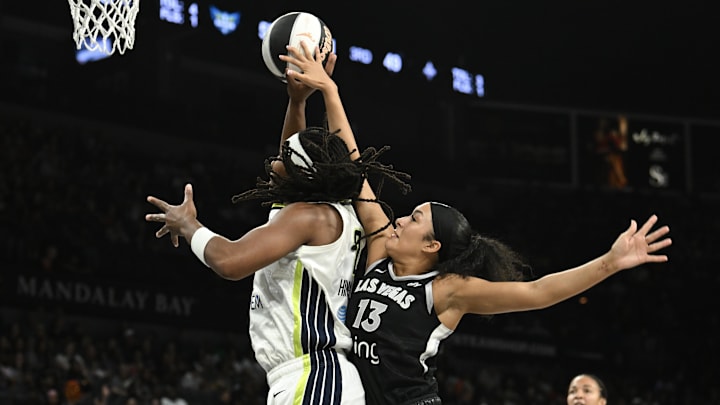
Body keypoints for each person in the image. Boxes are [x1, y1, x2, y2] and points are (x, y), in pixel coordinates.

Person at [280, 41, 673, 405]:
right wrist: (329, 93)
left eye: (415, 218)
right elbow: (354, 168)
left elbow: (537, 292)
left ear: (432, 246)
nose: (399, 219)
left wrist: (610, 261)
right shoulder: (381, 248)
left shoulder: (446, 291)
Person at [144, 50, 411, 404]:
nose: (274, 159)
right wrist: (297, 103)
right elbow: (293, 154)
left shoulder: (311, 217)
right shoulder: (319, 213)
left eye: (285, 159)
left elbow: (230, 261)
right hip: (314, 378)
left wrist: (190, 226)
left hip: (316, 377)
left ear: (304, 173)